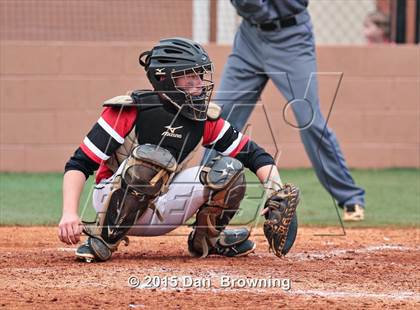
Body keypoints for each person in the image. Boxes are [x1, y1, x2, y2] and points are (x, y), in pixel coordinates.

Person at [57, 37, 300, 262]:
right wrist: (69, 213)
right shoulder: (130, 110)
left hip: (161, 209)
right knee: (152, 160)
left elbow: (255, 155)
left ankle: (207, 239)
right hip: (110, 202)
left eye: (199, 76)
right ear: (164, 78)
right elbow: (79, 164)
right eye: (189, 77)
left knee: (229, 170)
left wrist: (275, 193)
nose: (198, 85)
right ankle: (104, 239)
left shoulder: (203, 119)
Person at [202, 0, 365, 221]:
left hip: (291, 37)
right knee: (222, 114)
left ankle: (350, 197)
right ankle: (202, 192)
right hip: (250, 38)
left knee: (309, 118)